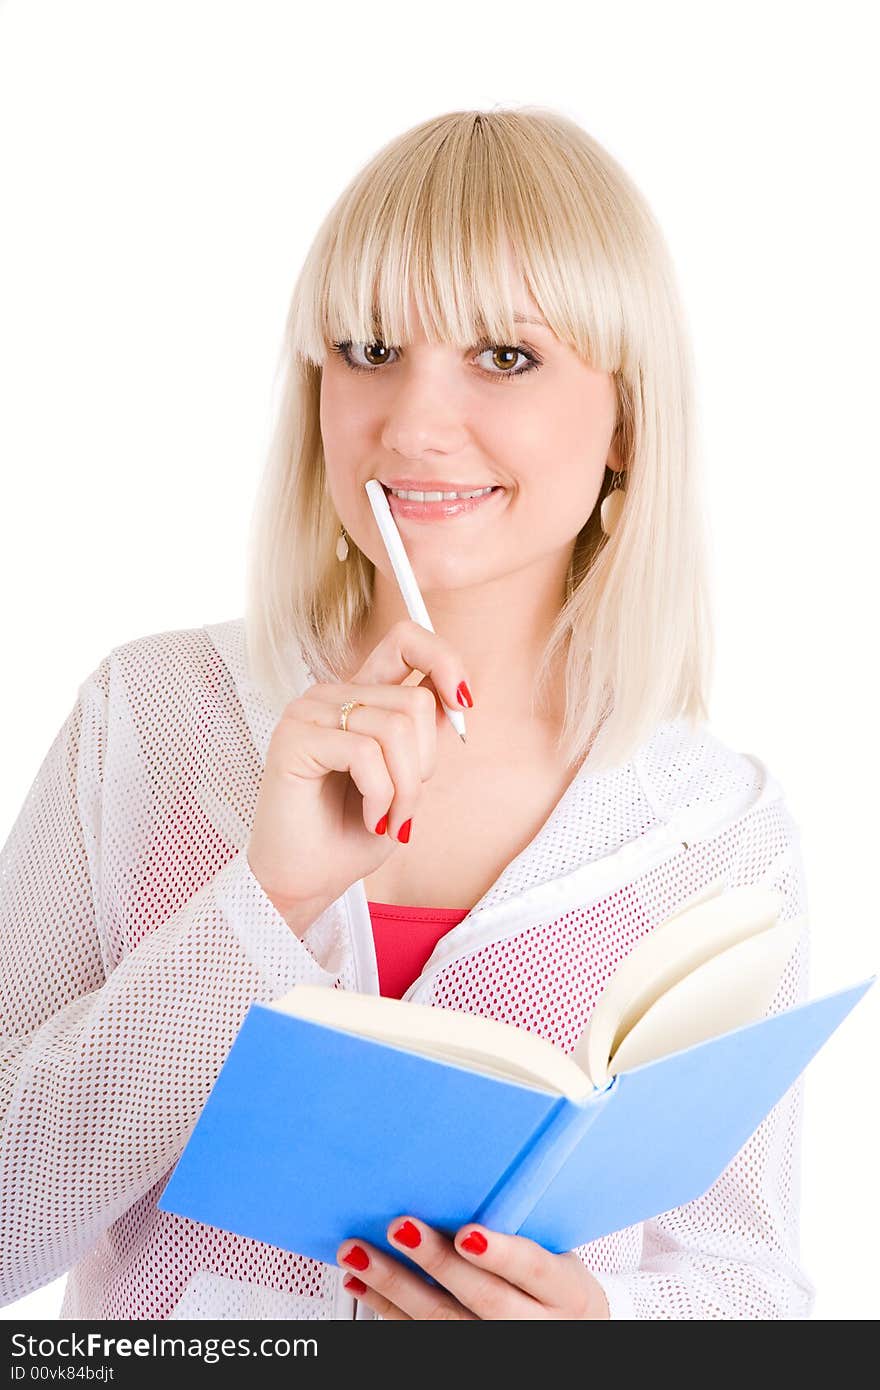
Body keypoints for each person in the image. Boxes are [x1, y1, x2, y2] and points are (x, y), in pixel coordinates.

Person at [0, 106, 815, 1320]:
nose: (412, 424)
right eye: (371, 347)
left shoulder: (712, 826)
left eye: (505, 356)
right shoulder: (154, 717)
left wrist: (604, 1330)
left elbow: (753, 1282)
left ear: (627, 422)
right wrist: (259, 902)